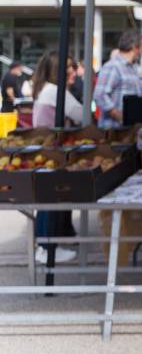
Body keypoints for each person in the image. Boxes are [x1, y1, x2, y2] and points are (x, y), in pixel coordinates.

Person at [30, 50, 82, 263]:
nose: (73, 71)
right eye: (68, 67)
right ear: (56, 71)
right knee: (51, 199)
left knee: (51, 197)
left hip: (47, 152)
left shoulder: (47, 89)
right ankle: (47, 247)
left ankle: (53, 242)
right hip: (52, 152)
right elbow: (81, 114)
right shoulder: (56, 92)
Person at [93, 30, 142, 128]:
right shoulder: (113, 66)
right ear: (134, 47)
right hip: (114, 131)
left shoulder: (135, 68)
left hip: (133, 130)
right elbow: (100, 95)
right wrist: (120, 116)